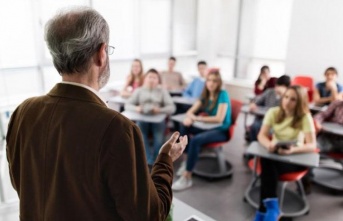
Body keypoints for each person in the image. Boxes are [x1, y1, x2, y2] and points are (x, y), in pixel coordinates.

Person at [6, 7, 187, 221]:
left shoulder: (22, 113)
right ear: (101, 54)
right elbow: (149, 216)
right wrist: (165, 160)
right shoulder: (117, 128)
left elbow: (23, 185)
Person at [254, 85, 316, 221]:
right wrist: (269, 144)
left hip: (295, 158)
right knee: (267, 161)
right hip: (276, 153)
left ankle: (263, 211)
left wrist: (292, 150)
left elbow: (312, 145)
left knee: (267, 167)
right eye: (286, 97)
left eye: (293, 99)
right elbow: (261, 136)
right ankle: (272, 209)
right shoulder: (273, 112)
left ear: (299, 102)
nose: (287, 101)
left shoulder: (305, 116)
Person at [172, 70, 232, 191]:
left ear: (219, 82)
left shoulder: (223, 94)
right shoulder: (205, 94)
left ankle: (187, 177)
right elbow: (190, 111)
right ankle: (186, 160)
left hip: (221, 130)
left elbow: (219, 118)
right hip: (207, 127)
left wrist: (197, 118)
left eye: (214, 81)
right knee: (184, 125)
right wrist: (190, 118)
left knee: (196, 140)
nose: (211, 83)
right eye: (209, 80)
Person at [125, 69, 176, 166]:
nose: (152, 80)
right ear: (145, 79)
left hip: (157, 119)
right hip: (142, 117)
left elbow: (172, 107)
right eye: (150, 77)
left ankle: (157, 159)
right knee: (139, 134)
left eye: (154, 77)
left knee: (158, 137)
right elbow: (128, 105)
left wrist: (160, 110)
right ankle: (149, 160)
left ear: (158, 80)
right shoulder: (139, 91)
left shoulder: (162, 91)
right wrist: (137, 108)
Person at [248, 75, 291, 142]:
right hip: (263, 118)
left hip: (277, 122)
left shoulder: (288, 97)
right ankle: (254, 145)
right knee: (255, 126)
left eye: (280, 87)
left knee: (270, 131)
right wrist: (254, 104)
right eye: (277, 86)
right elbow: (258, 100)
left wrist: (283, 96)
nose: (277, 88)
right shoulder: (269, 91)